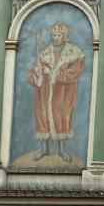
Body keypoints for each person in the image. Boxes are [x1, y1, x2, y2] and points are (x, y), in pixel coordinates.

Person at [25, 19, 87, 160]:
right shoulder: (45, 53)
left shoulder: (74, 53)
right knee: (43, 116)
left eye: (58, 35)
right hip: (45, 92)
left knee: (62, 117)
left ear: (65, 36)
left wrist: (57, 75)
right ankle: (44, 149)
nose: (55, 38)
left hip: (63, 92)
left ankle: (62, 150)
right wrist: (40, 72)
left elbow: (76, 71)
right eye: (53, 35)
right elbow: (35, 72)